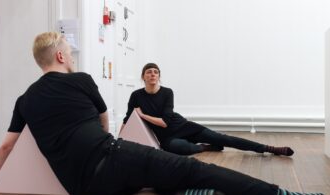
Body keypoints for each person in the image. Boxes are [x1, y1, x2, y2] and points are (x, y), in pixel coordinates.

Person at [0, 32, 326, 195]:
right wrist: (108, 139)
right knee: (191, 167)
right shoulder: (81, 80)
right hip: (109, 157)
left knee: (150, 175)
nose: (73, 57)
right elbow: (104, 119)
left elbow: (5, 146)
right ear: (62, 56)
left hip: (83, 190)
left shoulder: (25, 99)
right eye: (71, 52)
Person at [122, 63, 294, 156]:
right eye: (149, 72)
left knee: (223, 138)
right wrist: (118, 139)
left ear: (159, 76)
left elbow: (165, 122)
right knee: (178, 149)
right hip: (165, 138)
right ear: (143, 77)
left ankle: (268, 148)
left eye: (155, 72)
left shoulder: (167, 92)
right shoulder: (136, 95)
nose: (152, 74)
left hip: (182, 126)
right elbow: (127, 119)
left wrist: (143, 115)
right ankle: (205, 148)